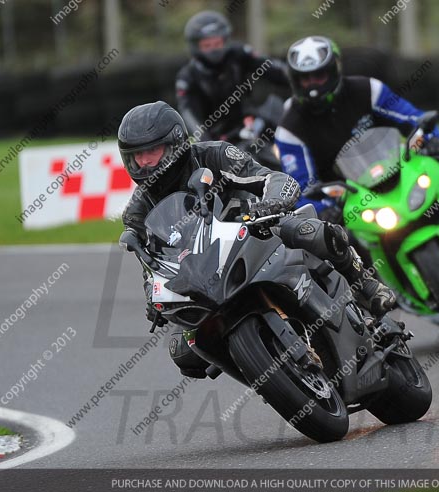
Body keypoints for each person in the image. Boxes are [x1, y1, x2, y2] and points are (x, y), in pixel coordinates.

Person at [119, 101, 396, 379]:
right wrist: (153, 298)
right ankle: (268, 375)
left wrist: (272, 203)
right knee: (184, 350)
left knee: (311, 231)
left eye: (151, 152)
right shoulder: (136, 212)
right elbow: (152, 266)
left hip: (256, 229)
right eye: (136, 156)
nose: (144, 163)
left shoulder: (214, 154)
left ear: (175, 142)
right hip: (203, 273)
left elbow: (270, 177)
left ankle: (367, 286)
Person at [274, 36, 439, 246]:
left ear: (333, 70)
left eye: (319, 76)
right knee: (326, 241)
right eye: (305, 79)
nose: (313, 85)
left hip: (396, 168)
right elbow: (300, 187)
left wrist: (431, 140)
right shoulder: (288, 128)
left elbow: (412, 117)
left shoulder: (367, 89)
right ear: (294, 81)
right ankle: (366, 288)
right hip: (349, 200)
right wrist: (323, 210)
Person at [176, 10, 288, 142]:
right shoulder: (187, 77)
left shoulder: (238, 54)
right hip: (220, 140)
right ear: (196, 47)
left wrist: (299, 77)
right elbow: (190, 116)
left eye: (218, 44)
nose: (214, 49)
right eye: (207, 45)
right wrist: (207, 144)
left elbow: (275, 70)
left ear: (225, 40)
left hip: (251, 125)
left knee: (275, 109)